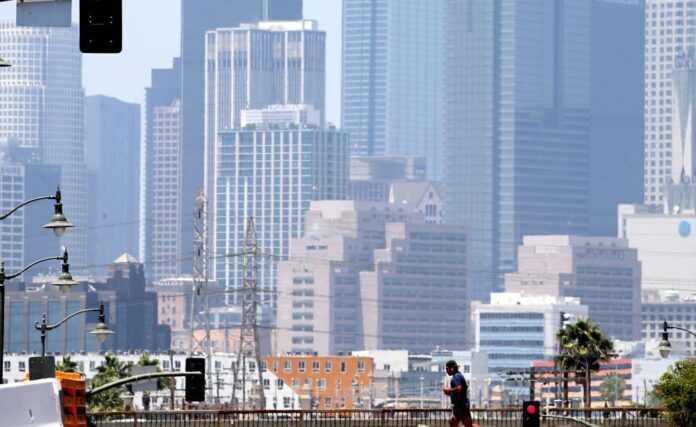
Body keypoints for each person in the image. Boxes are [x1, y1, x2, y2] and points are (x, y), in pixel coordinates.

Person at [442, 360, 477, 427]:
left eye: (447, 369)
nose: (446, 371)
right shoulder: (457, 376)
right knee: (453, 424)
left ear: (452, 368)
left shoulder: (457, 376)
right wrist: (448, 393)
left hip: (461, 406)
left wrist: (449, 390)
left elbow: (459, 388)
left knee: (469, 425)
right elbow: (457, 392)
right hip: (457, 406)